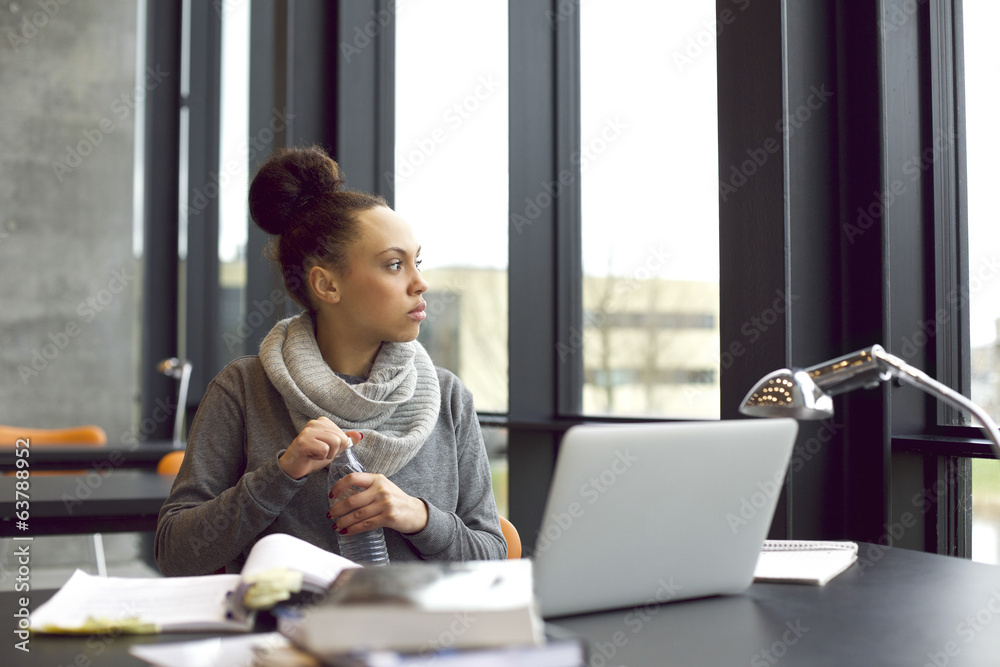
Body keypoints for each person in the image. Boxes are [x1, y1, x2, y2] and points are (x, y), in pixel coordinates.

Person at [155, 145, 505, 575]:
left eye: (418, 261)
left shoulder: (449, 396)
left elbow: (493, 556)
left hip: (423, 635)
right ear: (327, 285)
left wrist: (420, 517)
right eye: (394, 265)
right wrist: (281, 473)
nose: (421, 283)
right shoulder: (244, 388)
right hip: (282, 637)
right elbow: (175, 555)